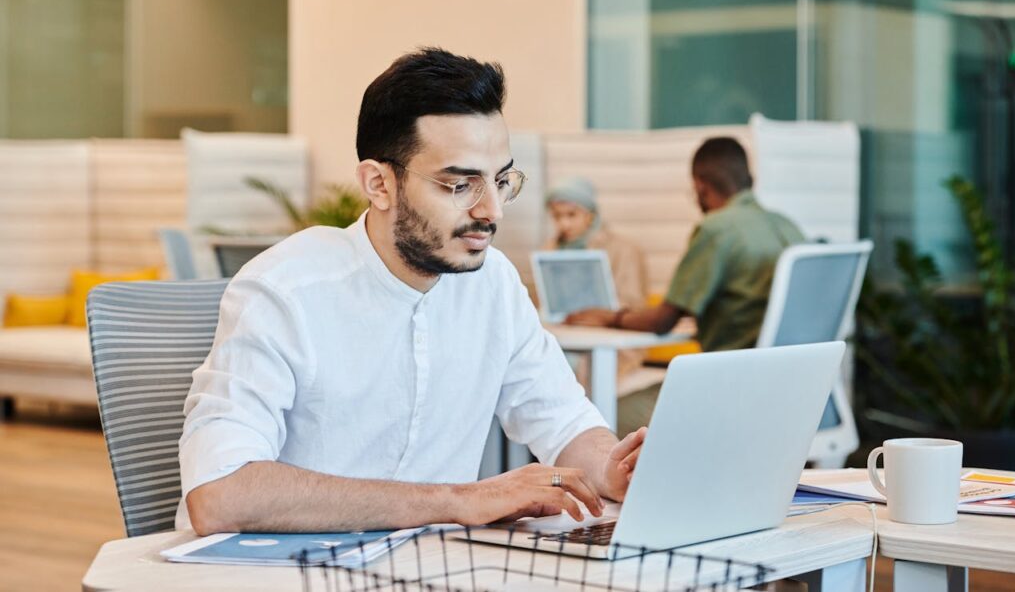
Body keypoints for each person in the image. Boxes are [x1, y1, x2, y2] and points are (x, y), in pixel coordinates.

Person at [177, 48, 645, 536]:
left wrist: (610, 467)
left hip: (431, 569)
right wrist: (461, 500)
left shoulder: (494, 284)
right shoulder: (283, 290)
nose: (492, 211)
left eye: (500, 180)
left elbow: (564, 422)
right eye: (460, 185)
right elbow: (221, 493)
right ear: (379, 183)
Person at [566, 136, 804, 433]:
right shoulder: (788, 227)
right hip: (789, 393)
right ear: (748, 178)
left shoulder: (717, 229)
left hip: (727, 391)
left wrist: (609, 317)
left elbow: (663, 320)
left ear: (700, 185)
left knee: (593, 415)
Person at [543, 176, 650, 391]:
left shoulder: (624, 249)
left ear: (590, 215)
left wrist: (597, 316)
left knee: (558, 372)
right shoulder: (549, 250)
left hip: (610, 343)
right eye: (557, 216)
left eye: (571, 215)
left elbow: (634, 306)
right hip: (565, 338)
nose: (564, 224)